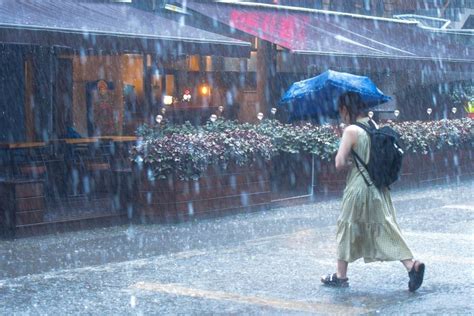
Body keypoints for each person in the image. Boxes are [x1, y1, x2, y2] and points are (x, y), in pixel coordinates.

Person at [321, 92, 425, 292]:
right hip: (378, 186)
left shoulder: (351, 130)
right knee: (386, 227)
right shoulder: (372, 125)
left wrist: (346, 151)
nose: (340, 113)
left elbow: (339, 162)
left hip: (359, 189)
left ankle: (341, 277)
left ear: (345, 109)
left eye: (340, 109)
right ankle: (411, 265)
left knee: (347, 228)